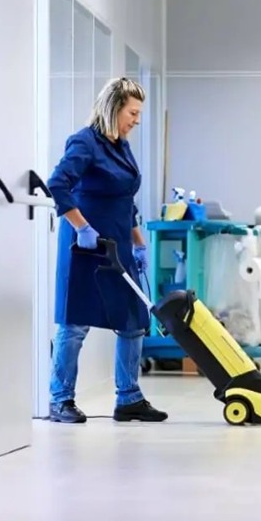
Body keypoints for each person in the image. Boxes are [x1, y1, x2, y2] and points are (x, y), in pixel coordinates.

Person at [45, 77, 168, 424]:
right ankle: (60, 399)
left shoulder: (121, 145)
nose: (137, 119)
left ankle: (128, 398)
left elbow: (125, 200)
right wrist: (81, 227)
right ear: (114, 108)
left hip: (120, 247)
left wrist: (140, 243)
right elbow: (58, 184)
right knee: (76, 324)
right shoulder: (85, 142)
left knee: (132, 322)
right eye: (133, 112)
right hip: (86, 247)